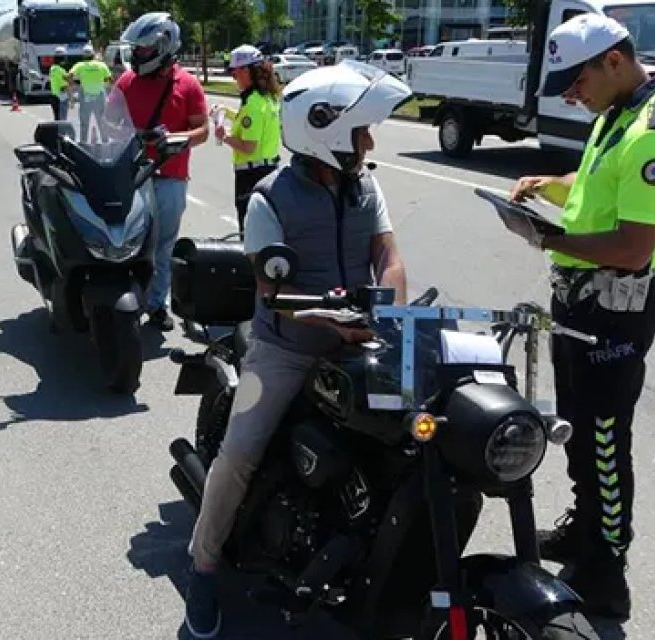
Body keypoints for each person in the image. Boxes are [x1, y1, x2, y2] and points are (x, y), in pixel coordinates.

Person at [181, 61, 410, 638]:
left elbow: (388, 256)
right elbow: (271, 287)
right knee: (239, 453)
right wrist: (329, 319)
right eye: (361, 132)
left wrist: (389, 310)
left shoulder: (366, 186)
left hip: (360, 342)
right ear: (324, 131)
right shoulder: (270, 198)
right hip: (284, 348)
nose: (368, 142)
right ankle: (203, 565)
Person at [504, 14, 655, 622]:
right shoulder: (617, 115)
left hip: (615, 308)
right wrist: (550, 186)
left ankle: (607, 572)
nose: (571, 94)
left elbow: (633, 247)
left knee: (606, 444)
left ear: (613, 60)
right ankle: (586, 528)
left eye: (577, 80)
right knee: (580, 431)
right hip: (581, 300)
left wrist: (543, 237)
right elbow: (593, 189)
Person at [115, 12, 209, 331]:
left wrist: (175, 139)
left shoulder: (189, 85)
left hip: (170, 178)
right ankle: (125, 297)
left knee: (162, 245)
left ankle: (157, 303)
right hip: (129, 176)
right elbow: (106, 121)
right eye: (136, 49)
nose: (137, 54)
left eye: (143, 49)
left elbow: (202, 131)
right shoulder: (126, 82)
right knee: (123, 240)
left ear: (163, 47)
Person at [214, 44, 281, 232]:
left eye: (235, 74)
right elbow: (248, 122)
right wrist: (226, 112)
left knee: (249, 231)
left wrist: (224, 136)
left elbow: (249, 146)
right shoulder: (266, 97)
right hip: (268, 170)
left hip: (251, 175)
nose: (234, 78)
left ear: (246, 71)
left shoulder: (252, 104)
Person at [67, 46, 112, 141]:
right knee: (102, 122)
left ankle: (83, 144)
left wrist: (72, 87)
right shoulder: (101, 65)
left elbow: (70, 75)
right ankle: (106, 143)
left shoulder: (80, 65)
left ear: (83, 56)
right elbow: (110, 79)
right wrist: (104, 87)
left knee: (84, 123)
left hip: (86, 96)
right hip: (99, 96)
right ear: (93, 55)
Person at [48, 46, 70, 121]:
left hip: (54, 96)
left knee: (57, 119)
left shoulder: (52, 68)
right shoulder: (60, 70)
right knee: (62, 119)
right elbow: (66, 83)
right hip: (61, 97)